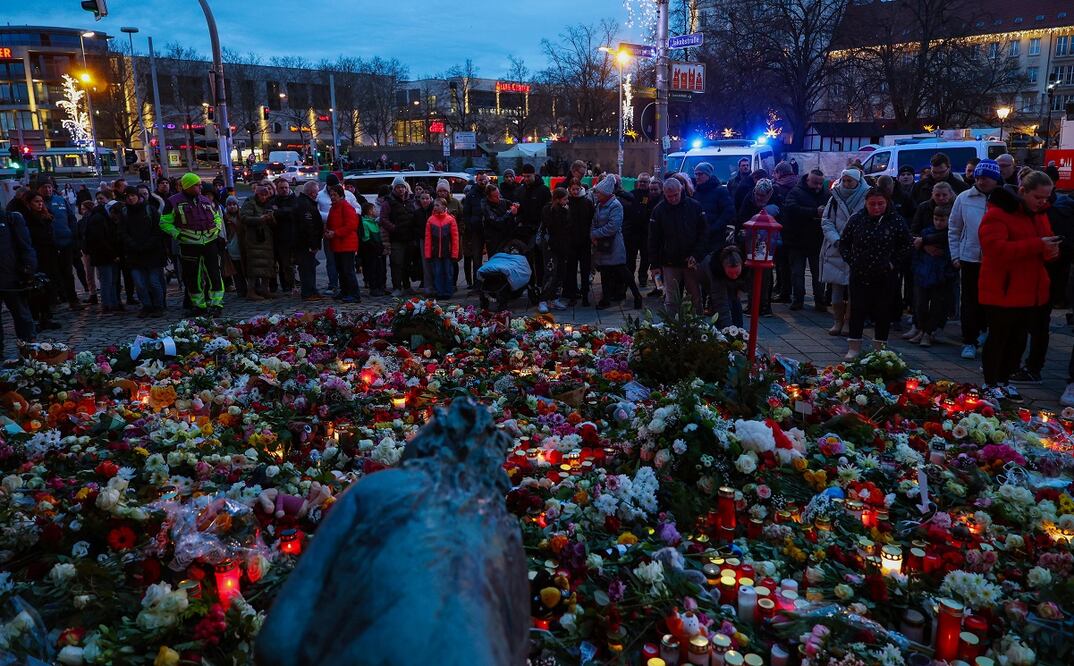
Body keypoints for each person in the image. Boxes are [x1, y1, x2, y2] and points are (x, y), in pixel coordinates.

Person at [977, 171, 1058, 404]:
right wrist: (1037, 245)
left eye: (1046, 198)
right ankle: (990, 382)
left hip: (1030, 289)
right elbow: (995, 249)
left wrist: (1050, 250)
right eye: (1038, 197)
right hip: (1002, 288)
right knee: (999, 337)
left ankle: (1004, 381)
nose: (1043, 202)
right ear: (1023, 192)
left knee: (1018, 339)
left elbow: (1044, 242)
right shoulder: (998, 215)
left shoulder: (1039, 214)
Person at [839, 187, 912, 359]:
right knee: (857, 309)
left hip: (885, 275)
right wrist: (853, 260)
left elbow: (907, 245)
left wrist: (893, 263)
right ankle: (854, 346)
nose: (877, 208)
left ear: (887, 203)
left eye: (881, 204)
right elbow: (844, 243)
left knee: (883, 311)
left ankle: (880, 348)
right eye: (872, 204)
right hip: (860, 273)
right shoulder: (857, 219)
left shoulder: (896, 221)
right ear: (866, 203)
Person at [948, 159, 1002, 360]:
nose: (980, 181)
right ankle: (968, 340)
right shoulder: (964, 197)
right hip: (969, 257)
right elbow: (954, 228)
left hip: (995, 259)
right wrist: (955, 254)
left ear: (995, 179)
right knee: (969, 301)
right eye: (978, 177)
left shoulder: (1003, 199)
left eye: (985, 178)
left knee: (990, 301)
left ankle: (985, 332)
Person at [160, 173, 224, 316]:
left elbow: (217, 217)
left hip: (209, 243)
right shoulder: (173, 202)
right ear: (188, 186)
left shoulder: (205, 200)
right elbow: (164, 223)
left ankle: (216, 304)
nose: (200, 187)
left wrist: (217, 229)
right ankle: (199, 305)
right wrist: (178, 234)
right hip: (189, 245)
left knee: (214, 274)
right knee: (193, 277)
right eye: (197, 185)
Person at [819, 169, 868, 336]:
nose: (846, 184)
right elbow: (826, 221)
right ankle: (837, 321)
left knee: (854, 291)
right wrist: (837, 239)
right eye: (844, 180)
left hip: (856, 248)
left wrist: (855, 240)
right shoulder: (834, 198)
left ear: (857, 182)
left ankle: (848, 322)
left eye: (850, 181)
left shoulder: (865, 197)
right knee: (836, 292)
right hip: (837, 248)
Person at [648, 177, 707, 313]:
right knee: (671, 298)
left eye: (675, 195)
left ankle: (697, 325)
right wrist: (655, 264)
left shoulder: (694, 206)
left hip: (690, 260)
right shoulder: (659, 210)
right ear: (664, 194)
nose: (673, 199)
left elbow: (703, 233)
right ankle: (671, 326)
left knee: (695, 296)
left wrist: (696, 254)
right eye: (669, 196)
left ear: (681, 190)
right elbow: (653, 239)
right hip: (669, 261)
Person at [783, 168, 831, 311]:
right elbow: (791, 209)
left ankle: (820, 301)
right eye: (815, 183)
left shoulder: (826, 194)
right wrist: (814, 212)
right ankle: (798, 299)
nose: (817, 186)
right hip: (797, 240)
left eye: (820, 183)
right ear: (807, 180)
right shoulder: (795, 192)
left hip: (817, 241)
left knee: (818, 274)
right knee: (797, 273)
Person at [911, 204, 955, 346]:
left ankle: (928, 332)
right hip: (923, 274)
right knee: (920, 305)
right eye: (936, 219)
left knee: (937, 306)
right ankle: (922, 329)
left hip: (941, 276)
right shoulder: (926, 232)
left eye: (942, 220)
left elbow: (951, 255)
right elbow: (916, 252)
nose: (939, 222)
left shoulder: (950, 235)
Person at [119, 187, 168, 317]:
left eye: (132, 195)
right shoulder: (124, 212)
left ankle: (159, 306)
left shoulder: (149, 210)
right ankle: (146, 306)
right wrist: (132, 244)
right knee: (140, 283)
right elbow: (122, 232)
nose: (130, 198)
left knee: (154, 281)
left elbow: (157, 231)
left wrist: (147, 244)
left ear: (138, 196)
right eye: (127, 196)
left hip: (152, 253)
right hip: (134, 254)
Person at [37, 180, 81, 311]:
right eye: (45, 187)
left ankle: (73, 299)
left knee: (68, 273)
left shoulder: (60, 200)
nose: (48, 190)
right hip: (48, 245)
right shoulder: (38, 202)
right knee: (52, 274)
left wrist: (73, 235)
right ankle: (53, 300)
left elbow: (71, 218)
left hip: (65, 242)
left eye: (49, 187)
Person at [0, 206, 37, 358]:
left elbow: (26, 247)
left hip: (13, 279)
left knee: (22, 316)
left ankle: (29, 350)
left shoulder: (10, 219)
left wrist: (29, 271)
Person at [22, 192, 59, 330]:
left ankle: (46, 316)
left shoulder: (45, 216)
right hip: (36, 255)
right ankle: (37, 318)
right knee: (37, 289)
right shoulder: (26, 218)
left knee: (48, 286)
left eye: (41, 201)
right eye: (36, 201)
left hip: (49, 255)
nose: (40, 204)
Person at [590, 176, 627, 310]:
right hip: (602, 245)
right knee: (605, 273)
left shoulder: (616, 205)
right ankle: (605, 299)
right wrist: (593, 233)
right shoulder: (599, 205)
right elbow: (594, 221)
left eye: (598, 192)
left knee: (620, 271)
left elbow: (613, 226)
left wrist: (595, 234)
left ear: (605, 193)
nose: (596, 195)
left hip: (613, 245)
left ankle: (628, 294)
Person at [380, 176, 420, 296]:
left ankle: (407, 286)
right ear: (394, 188)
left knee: (407, 263)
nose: (401, 189)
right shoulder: (389, 202)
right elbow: (383, 219)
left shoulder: (410, 201)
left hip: (409, 237)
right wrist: (394, 228)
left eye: (402, 187)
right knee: (396, 263)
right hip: (396, 238)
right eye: (398, 187)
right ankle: (397, 287)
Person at [239, 184, 279, 301]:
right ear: (257, 194)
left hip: (266, 240)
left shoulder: (268, 204)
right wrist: (260, 219)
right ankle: (251, 291)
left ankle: (265, 289)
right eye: (262, 195)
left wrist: (271, 218)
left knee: (267, 265)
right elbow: (244, 218)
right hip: (254, 240)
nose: (264, 197)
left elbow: (273, 222)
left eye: (266, 195)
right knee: (254, 266)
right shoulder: (250, 203)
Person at [84, 199, 123, 313]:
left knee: (112, 280)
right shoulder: (98, 219)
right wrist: (113, 254)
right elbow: (99, 240)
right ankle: (107, 304)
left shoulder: (102, 217)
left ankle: (113, 303)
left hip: (110, 254)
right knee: (107, 280)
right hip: (103, 255)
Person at [536, 187, 572, 313]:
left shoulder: (566, 210)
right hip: (550, 245)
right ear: (557, 199)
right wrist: (562, 213)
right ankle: (543, 299)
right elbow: (552, 226)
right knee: (550, 272)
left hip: (562, 246)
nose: (567, 202)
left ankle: (555, 298)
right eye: (565, 199)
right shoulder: (548, 209)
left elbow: (568, 226)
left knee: (561, 272)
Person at [325, 185, 361, 303]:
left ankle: (354, 294)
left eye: (335, 195)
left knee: (348, 270)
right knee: (341, 270)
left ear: (341, 195)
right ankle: (345, 291)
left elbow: (351, 225)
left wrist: (335, 233)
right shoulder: (333, 208)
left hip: (346, 244)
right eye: (331, 195)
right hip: (337, 244)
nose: (332, 197)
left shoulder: (346, 207)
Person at [692, 162, 734, 258]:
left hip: (715, 237)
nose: (697, 177)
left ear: (708, 175)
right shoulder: (696, 192)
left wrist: (714, 227)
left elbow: (729, 211)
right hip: (699, 237)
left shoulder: (720, 191)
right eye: (696, 174)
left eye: (700, 174)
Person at [294, 181, 326, 301]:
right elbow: (308, 226)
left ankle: (312, 290)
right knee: (306, 268)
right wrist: (313, 244)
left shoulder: (305, 203)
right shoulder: (305, 205)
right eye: (316, 192)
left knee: (310, 267)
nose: (317, 195)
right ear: (312, 192)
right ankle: (308, 292)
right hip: (305, 243)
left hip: (305, 242)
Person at [564, 180, 595, 306]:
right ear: (569, 189)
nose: (575, 192)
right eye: (573, 189)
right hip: (571, 242)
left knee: (585, 269)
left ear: (580, 188)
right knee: (571, 270)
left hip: (584, 241)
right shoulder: (567, 202)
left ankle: (585, 295)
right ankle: (572, 295)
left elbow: (592, 219)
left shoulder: (587, 202)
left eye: (577, 189)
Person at [424, 198, 460, 300]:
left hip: (447, 252)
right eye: (434, 205)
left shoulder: (450, 220)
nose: (435, 207)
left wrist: (454, 253)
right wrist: (428, 254)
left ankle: (448, 292)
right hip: (436, 252)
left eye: (437, 205)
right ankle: (440, 292)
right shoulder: (430, 220)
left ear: (444, 207)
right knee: (438, 273)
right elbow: (428, 239)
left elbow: (455, 238)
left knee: (448, 273)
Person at [701, 245, 746, 326]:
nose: (734, 276)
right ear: (723, 266)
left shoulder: (746, 266)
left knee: (735, 300)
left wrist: (741, 288)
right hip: (707, 278)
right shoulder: (714, 270)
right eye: (731, 273)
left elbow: (746, 281)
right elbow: (720, 302)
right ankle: (721, 330)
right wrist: (728, 329)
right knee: (721, 305)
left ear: (741, 265)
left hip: (734, 280)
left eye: (737, 273)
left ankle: (739, 328)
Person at [462, 172, 490, 288]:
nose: (482, 182)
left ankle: (491, 282)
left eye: (484, 180)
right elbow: (466, 213)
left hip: (490, 230)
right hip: (476, 231)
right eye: (480, 180)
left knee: (492, 257)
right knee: (476, 258)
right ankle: (477, 284)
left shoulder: (491, 192)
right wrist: (471, 226)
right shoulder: (471, 195)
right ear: (476, 181)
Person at [627, 173, 654, 290]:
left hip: (646, 233)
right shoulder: (632, 194)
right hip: (633, 232)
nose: (642, 183)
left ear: (649, 183)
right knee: (631, 257)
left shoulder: (651, 195)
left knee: (645, 257)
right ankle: (629, 278)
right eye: (641, 181)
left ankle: (643, 277)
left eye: (645, 182)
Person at [272, 178, 297, 295]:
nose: (284, 190)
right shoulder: (274, 200)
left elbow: (293, 212)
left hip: (294, 236)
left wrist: (279, 211)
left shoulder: (294, 199)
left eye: (286, 187)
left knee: (293, 264)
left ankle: (293, 284)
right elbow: (271, 212)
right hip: (280, 237)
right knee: (284, 264)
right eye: (281, 188)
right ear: (277, 189)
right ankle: (286, 285)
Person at [357, 200, 387, 296]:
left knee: (380, 269)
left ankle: (380, 287)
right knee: (372, 269)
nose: (376, 211)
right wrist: (376, 247)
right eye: (374, 209)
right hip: (370, 251)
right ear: (369, 211)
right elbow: (366, 238)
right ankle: (373, 288)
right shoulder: (365, 223)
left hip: (377, 249)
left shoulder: (374, 222)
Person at [480, 185, 518, 258]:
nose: (498, 198)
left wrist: (515, 205)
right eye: (495, 196)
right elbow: (496, 221)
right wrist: (509, 213)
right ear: (489, 197)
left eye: (499, 195)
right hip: (493, 240)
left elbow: (512, 203)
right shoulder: (486, 206)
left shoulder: (502, 201)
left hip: (505, 237)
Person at [222, 196, 247, 298]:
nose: (232, 207)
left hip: (243, 247)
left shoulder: (242, 216)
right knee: (236, 272)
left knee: (246, 269)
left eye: (234, 204)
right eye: (229, 205)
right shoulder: (225, 218)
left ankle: (251, 289)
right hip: (232, 248)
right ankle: (241, 290)